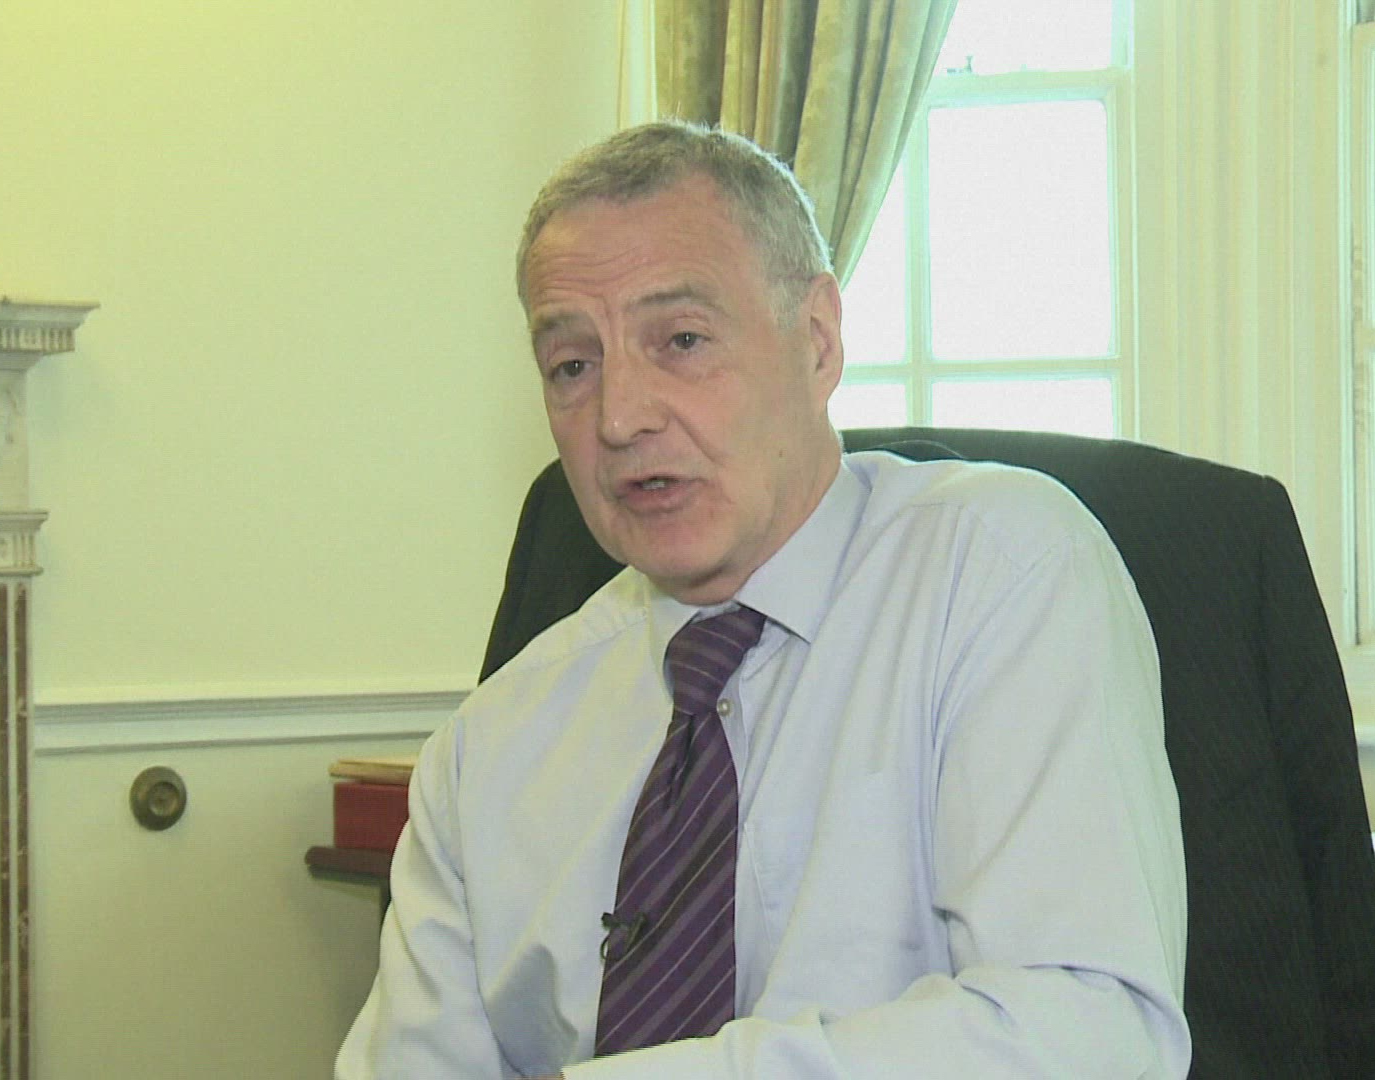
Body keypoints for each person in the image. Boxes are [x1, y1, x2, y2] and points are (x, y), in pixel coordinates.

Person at [335, 120, 1188, 1078]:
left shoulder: (998, 569)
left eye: (682, 340)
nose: (620, 418)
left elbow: (1091, 1028)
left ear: (817, 341)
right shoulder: (489, 747)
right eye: (573, 365)